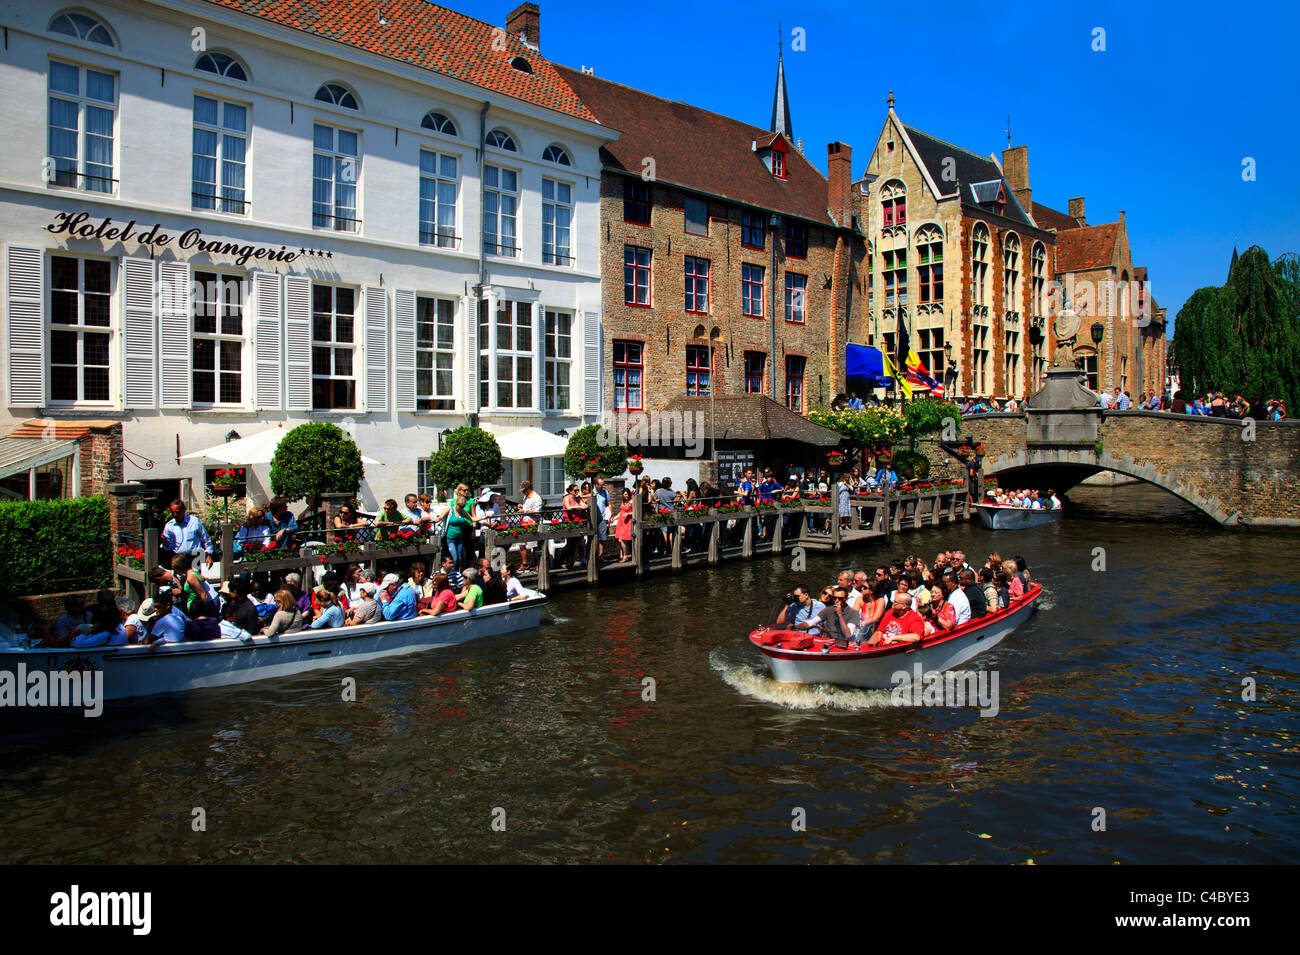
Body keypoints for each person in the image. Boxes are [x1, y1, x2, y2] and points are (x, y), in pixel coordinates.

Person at [162, 499, 214, 566]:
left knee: (195, 575)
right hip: (179, 559)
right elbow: (168, 547)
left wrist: (208, 554)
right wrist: (165, 543)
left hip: (195, 557)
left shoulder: (194, 522)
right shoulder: (169, 526)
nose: (175, 515)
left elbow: (206, 538)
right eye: (173, 513)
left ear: (184, 511)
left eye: (177, 512)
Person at [444, 483, 481, 569]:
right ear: (459, 491)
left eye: (467, 490)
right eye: (464, 490)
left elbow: (473, 516)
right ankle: (459, 570)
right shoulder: (454, 502)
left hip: (468, 527)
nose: (466, 492)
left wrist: (473, 530)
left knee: (469, 551)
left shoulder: (470, 501)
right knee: (458, 553)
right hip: (458, 529)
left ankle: (470, 569)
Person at [615, 488, 634, 562]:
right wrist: (615, 517)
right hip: (621, 521)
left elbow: (635, 511)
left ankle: (625, 556)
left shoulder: (631, 502)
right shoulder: (623, 501)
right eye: (625, 494)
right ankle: (622, 555)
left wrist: (628, 514)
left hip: (628, 522)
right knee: (620, 538)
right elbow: (621, 511)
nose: (626, 495)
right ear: (623, 494)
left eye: (628, 494)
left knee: (621, 539)